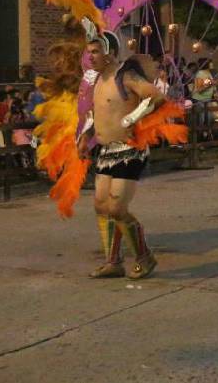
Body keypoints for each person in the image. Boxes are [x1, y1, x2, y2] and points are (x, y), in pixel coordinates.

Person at [75, 18, 166, 280]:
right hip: (106, 151)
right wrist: (85, 136)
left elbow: (156, 97)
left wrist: (132, 118)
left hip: (130, 149)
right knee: (101, 206)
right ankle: (113, 262)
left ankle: (144, 257)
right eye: (88, 51)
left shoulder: (125, 76)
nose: (90, 56)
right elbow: (97, 113)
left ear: (110, 52)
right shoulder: (97, 81)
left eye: (95, 51)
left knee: (116, 209)